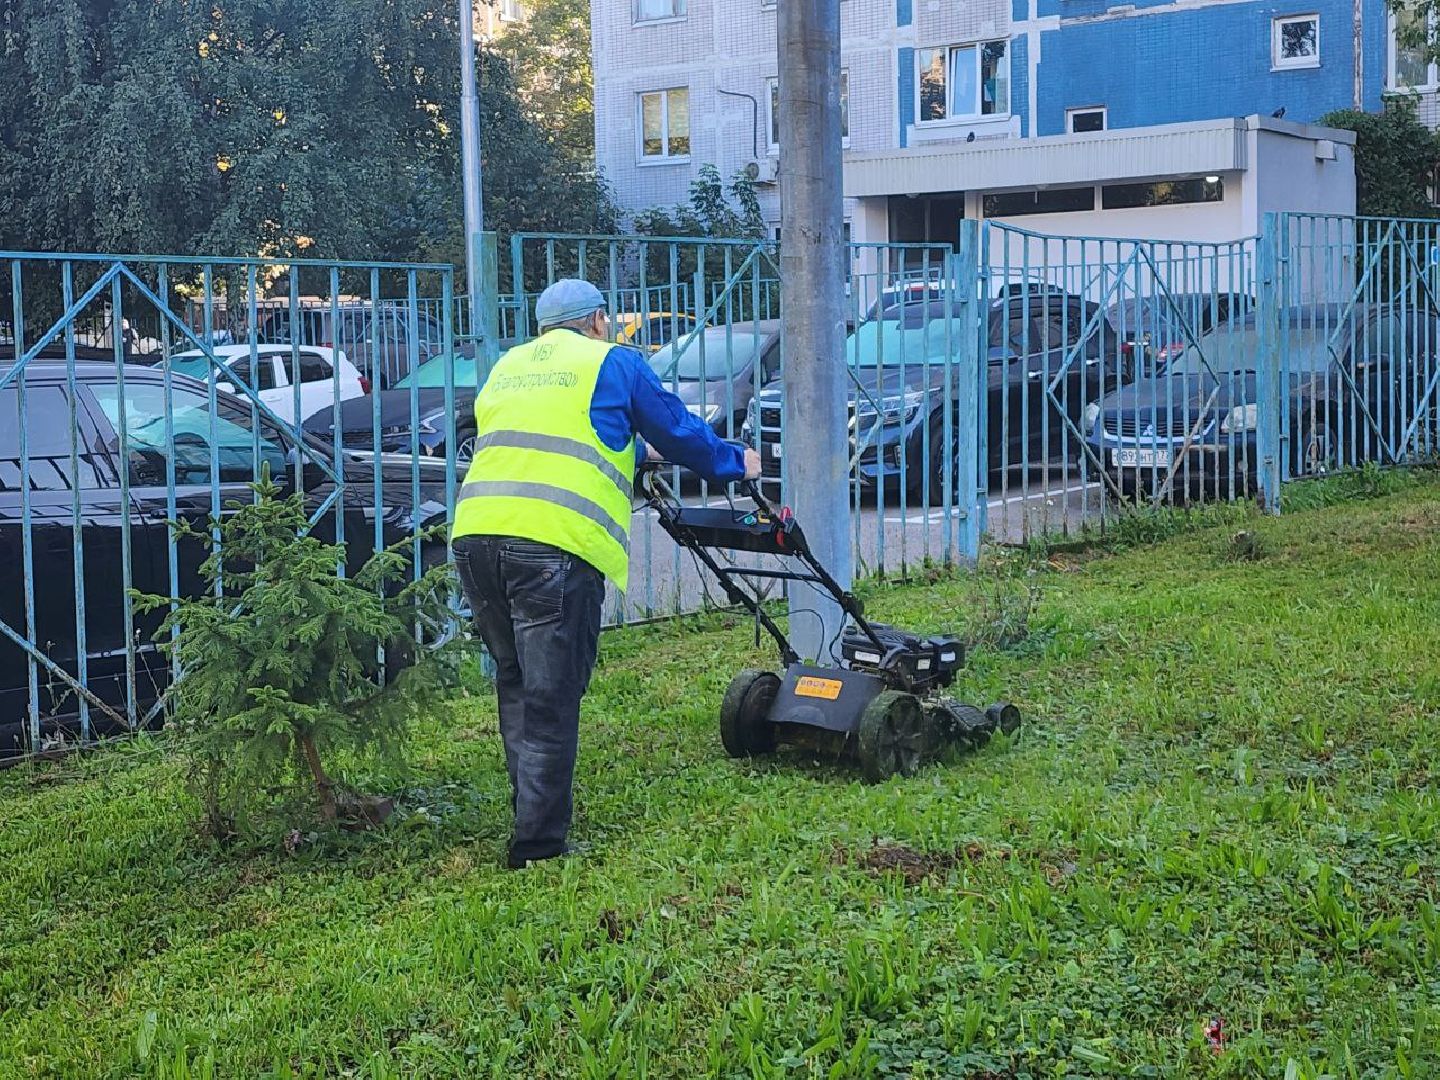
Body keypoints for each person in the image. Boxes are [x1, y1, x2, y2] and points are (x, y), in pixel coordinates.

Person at [450, 279, 763, 869]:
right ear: (597, 320)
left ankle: (530, 814)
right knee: (551, 695)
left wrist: (631, 452)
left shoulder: (508, 368)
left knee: (516, 682)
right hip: (551, 547)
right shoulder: (612, 361)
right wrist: (733, 462)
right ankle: (538, 848)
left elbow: (557, 436)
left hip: (475, 537)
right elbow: (675, 427)